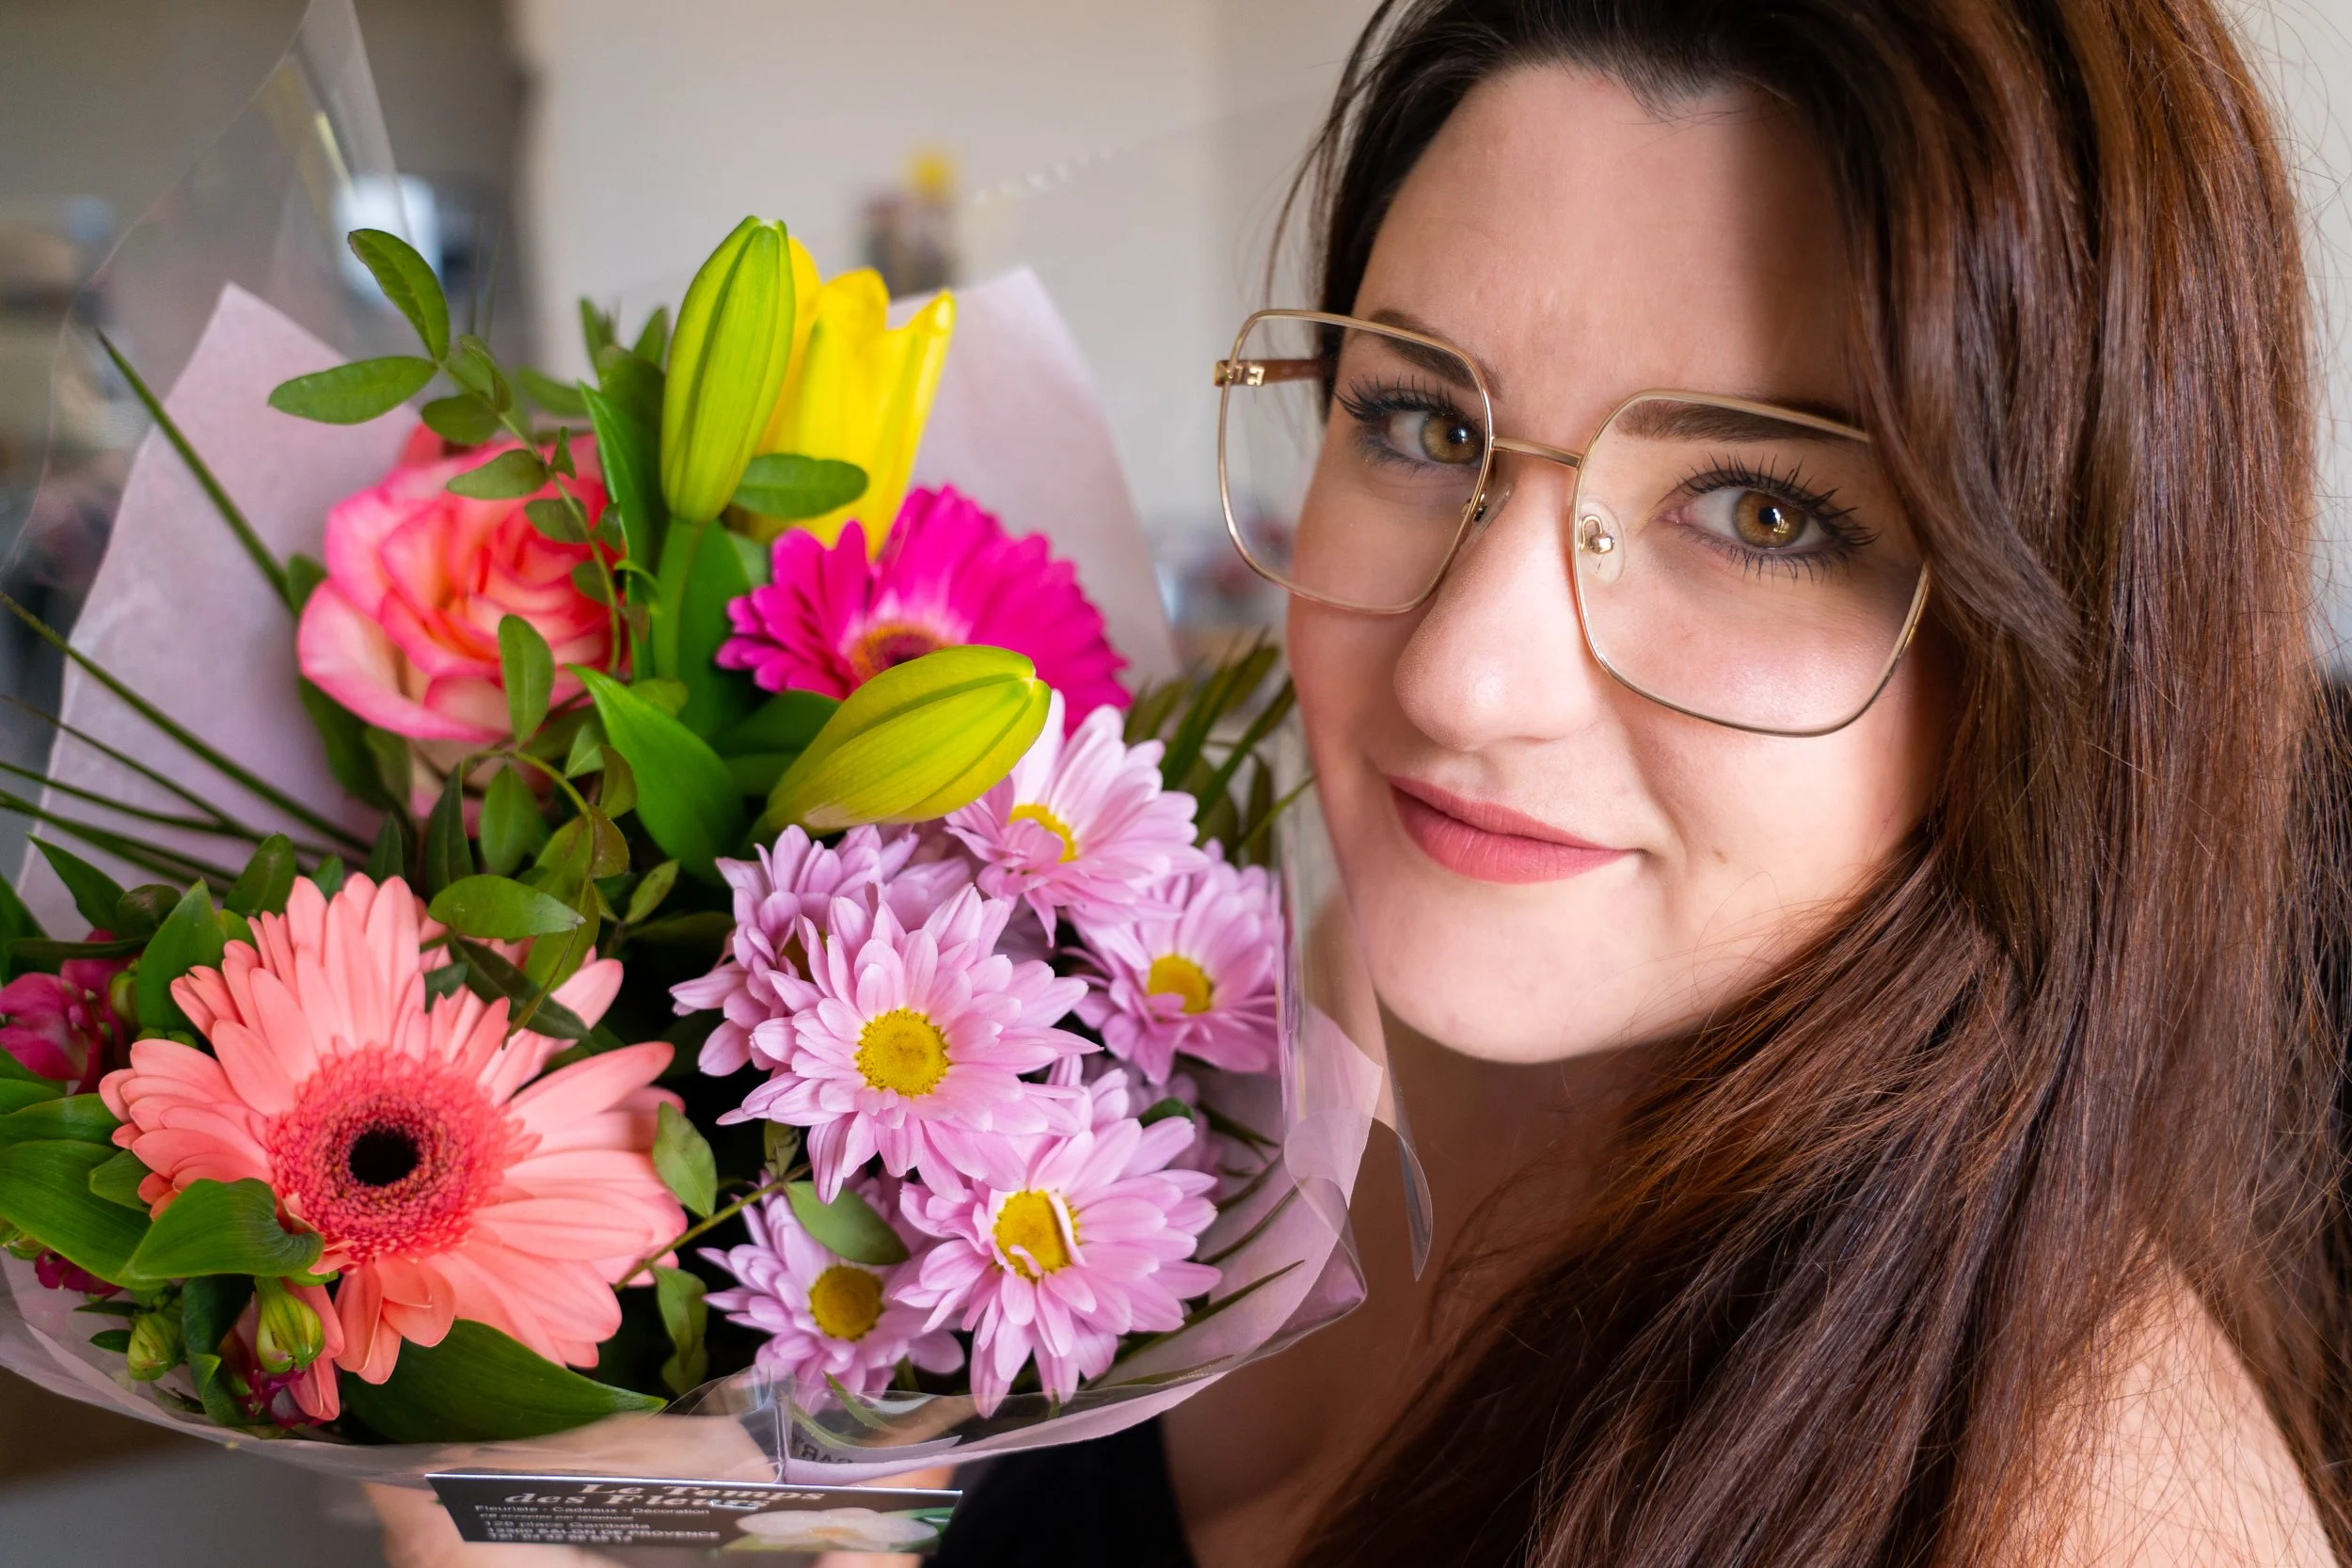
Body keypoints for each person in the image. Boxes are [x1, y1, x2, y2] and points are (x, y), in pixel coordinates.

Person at [382, 0, 2351, 1563]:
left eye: (1759, 506)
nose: (1457, 671)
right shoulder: (1352, 998)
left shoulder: (2060, 1514)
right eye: (1416, 417)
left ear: (2066, 642)